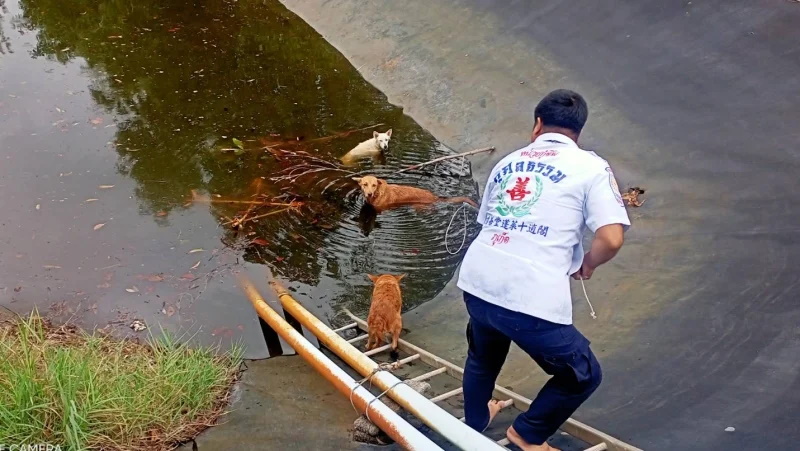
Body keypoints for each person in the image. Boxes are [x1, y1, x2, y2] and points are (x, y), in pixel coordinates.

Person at [457, 89, 630, 450]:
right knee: (581, 374)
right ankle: (527, 434)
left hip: (476, 281)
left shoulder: (508, 162)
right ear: (578, 130)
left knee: (483, 355)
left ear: (537, 125)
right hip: (528, 295)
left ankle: (474, 420)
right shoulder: (591, 167)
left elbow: (488, 220)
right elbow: (611, 238)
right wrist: (589, 264)